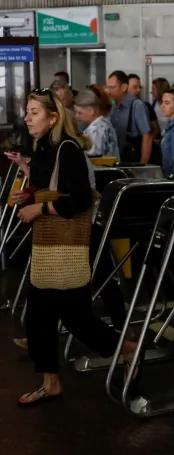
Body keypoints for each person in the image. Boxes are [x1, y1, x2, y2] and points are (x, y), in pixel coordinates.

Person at [6, 88, 138, 405]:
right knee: (39, 317)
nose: (27, 117)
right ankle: (50, 381)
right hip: (48, 245)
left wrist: (40, 209)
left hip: (66, 244)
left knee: (76, 318)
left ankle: (127, 349)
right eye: (27, 111)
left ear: (54, 117)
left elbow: (80, 200)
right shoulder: (44, 149)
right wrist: (27, 191)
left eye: (34, 112)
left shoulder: (67, 149)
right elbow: (48, 188)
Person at [73, 88, 119, 158]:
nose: (76, 116)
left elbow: (93, 157)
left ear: (91, 111)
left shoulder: (95, 130)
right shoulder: (105, 123)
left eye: (80, 113)